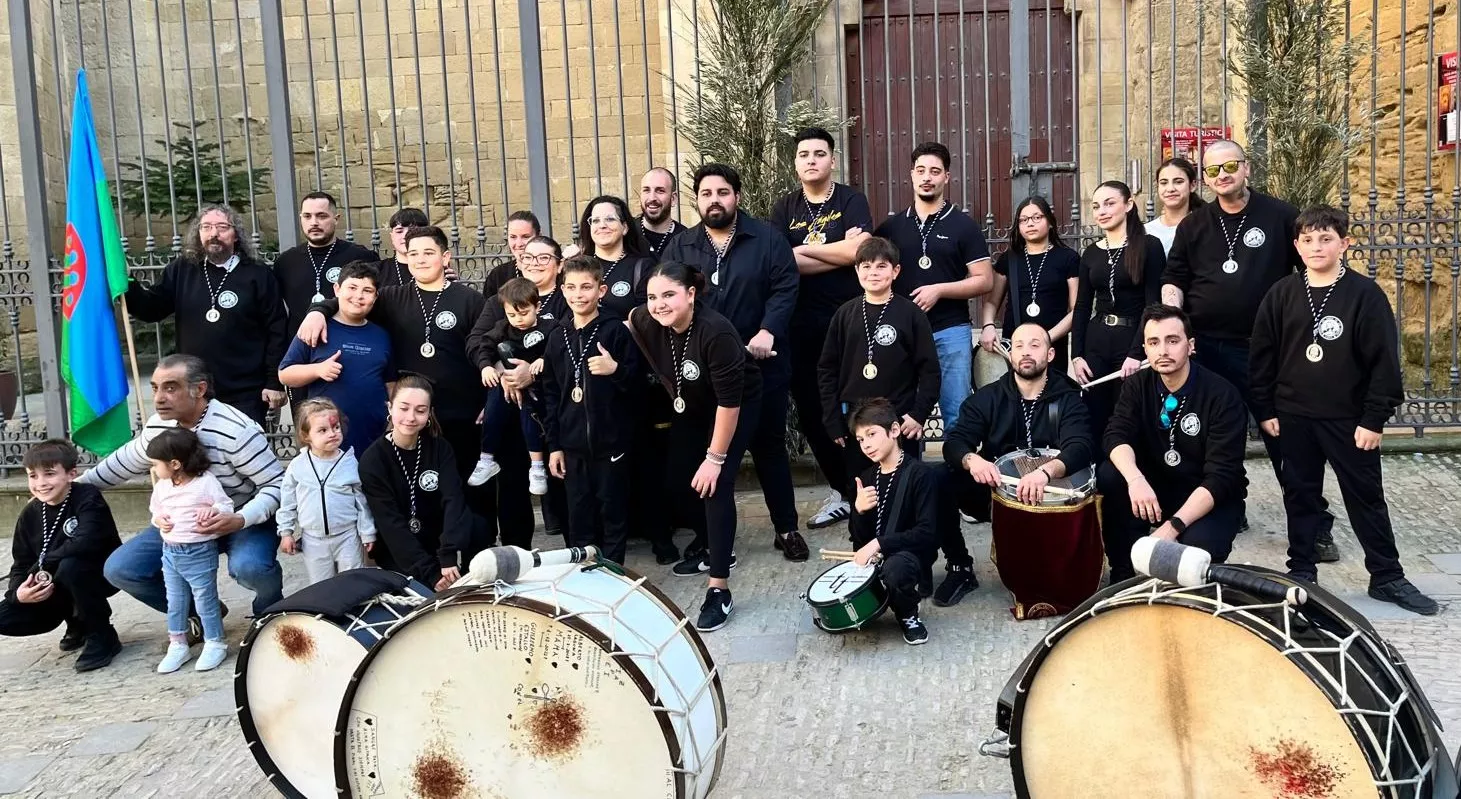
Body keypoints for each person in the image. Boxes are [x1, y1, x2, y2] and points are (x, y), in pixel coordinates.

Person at [1250, 206, 1436, 615]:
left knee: (1366, 497)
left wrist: (1373, 418)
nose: (1317, 246)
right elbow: (1262, 357)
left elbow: (1384, 362)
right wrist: (1264, 408)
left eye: (1326, 238)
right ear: (1297, 246)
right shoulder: (1281, 294)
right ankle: (1301, 571)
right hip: (1293, 416)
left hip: (1350, 421)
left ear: (1344, 243)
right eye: (1308, 240)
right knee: (1300, 495)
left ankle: (1386, 576)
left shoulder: (1364, 295)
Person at [1162, 139, 1338, 558]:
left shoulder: (1280, 216)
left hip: (1266, 350)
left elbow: (1309, 270)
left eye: (1229, 167)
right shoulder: (1194, 225)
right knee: (1207, 437)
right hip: (1204, 348)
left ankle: (1314, 525)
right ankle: (1223, 505)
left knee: (1284, 439)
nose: (1221, 176)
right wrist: (1175, 318)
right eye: (1212, 171)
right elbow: (1175, 278)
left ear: (1246, 168)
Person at [295, 226, 500, 547]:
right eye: (413, 253)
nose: (420, 259)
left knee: (471, 497)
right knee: (420, 494)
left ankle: (480, 567)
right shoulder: (391, 296)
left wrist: (492, 400)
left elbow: (488, 347)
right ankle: (432, 567)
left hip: (464, 416)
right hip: (412, 420)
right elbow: (351, 301)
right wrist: (318, 311)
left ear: (445, 257)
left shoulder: (470, 300)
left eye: (428, 253)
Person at [660, 163, 809, 562]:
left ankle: (786, 527)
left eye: (722, 193)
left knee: (770, 449)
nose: (715, 200)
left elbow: (785, 287)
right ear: (696, 200)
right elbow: (672, 298)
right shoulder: (682, 247)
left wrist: (768, 330)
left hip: (764, 365)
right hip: (705, 374)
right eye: (706, 194)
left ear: (736, 197)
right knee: (708, 454)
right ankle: (708, 534)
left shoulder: (767, 239)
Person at [82, 355, 285, 635]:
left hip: (242, 517)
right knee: (121, 569)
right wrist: (75, 488)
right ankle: (199, 612)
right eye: (155, 388)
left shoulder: (236, 431)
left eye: (170, 387)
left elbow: (278, 485)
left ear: (199, 389)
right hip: (181, 523)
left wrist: (239, 519)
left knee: (250, 567)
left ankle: (271, 610)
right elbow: (126, 461)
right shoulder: (159, 424)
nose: (159, 398)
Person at [627, 263, 763, 631]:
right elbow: (629, 321)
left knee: (714, 485)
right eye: (653, 296)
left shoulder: (716, 333)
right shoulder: (645, 317)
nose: (659, 304)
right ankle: (709, 544)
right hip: (691, 402)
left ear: (691, 294)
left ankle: (719, 587)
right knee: (676, 481)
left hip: (735, 406)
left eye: (669, 294)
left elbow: (730, 405)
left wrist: (715, 459)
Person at [938, 323, 1095, 605]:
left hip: (1054, 492)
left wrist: (1045, 473)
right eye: (1018, 346)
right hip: (999, 490)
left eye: (1035, 345)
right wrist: (972, 460)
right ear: (1010, 355)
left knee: (1106, 478)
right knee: (939, 479)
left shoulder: (1069, 396)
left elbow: (1080, 446)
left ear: (1050, 354)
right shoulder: (987, 398)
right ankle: (960, 566)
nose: (1025, 352)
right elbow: (956, 441)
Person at [770, 127, 874, 531]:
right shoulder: (785, 208)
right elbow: (783, 262)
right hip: (800, 324)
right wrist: (838, 252)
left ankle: (868, 484)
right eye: (803, 154)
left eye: (819, 153)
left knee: (859, 406)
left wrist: (806, 251)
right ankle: (842, 490)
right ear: (796, 163)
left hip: (849, 319)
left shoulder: (851, 200)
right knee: (816, 411)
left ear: (832, 160)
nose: (811, 159)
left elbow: (860, 252)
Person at [1098, 305, 1247, 582]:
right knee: (1111, 474)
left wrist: (1172, 528)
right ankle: (1123, 570)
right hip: (1154, 487)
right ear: (1145, 348)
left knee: (1194, 559)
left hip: (1205, 496)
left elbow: (1221, 476)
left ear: (1190, 346)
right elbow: (1116, 435)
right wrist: (1135, 480)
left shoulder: (1222, 396)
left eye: (1172, 340)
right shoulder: (1137, 385)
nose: (1163, 350)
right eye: (1154, 342)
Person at [124, 205, 288, 426]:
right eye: (206, 227)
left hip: (245, 391)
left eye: (222, 227)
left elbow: (277, 330)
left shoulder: (258, 275)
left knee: (242, 456)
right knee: (195, 456)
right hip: (193, 389)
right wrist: (128, 282)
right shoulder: (182, 270)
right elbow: (151, 308)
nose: (214, 234)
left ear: (236, 235)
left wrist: (273, 381)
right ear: (198, 233)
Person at [874, 142, 994, 435]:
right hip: (903, 333)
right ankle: (905, 478)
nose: (927, 177)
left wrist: (939, 289)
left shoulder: (964, 226)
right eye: (921, 171)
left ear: (946, 177)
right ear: (911, 175)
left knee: (957, 413)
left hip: (950, 331)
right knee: (900, 414)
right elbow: (871, 271)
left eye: (935, 171)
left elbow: (984, 280)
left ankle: (958, 478)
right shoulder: (890, 228)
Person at [542, 257, 641, 564]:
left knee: (612, 513)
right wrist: (554, 446)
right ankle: (583, 573)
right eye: (571, 287)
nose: (578, 294)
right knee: (579, 514)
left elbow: (638, 386)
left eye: (586, 287)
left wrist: (615, 370)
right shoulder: (557, 336)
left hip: (611, 444)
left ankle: (613, 572)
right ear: (562, 290)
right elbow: (551, 395)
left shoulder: (614, 332)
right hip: (572, 448)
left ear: (602, 290)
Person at [817, 236, 939, 482]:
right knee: (861, 488)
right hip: (856, 422)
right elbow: (826, 369)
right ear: (856, 270)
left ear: (896, 271)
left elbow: (930, 370)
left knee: (904, 487)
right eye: (866, 266)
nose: (873, 273)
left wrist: (918, 414)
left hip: (899, 420)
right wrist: (832, 419)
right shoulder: (844, 314)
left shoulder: (912, 315)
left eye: (881, 266)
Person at [1, 440, 123, 672]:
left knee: (71, 566)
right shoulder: (31, 513)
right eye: (32, 476)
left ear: (71, 474)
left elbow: (85, 541)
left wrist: (42, 564)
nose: (40, 483)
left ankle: (102, 633)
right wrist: (19, 593)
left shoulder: (87, 497)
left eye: (49, 474)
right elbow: (21, 563)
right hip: (54, 583)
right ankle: (76, 621)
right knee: (4, 616)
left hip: (98, 575)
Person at [359, 377, 474, 591]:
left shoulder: (440, 448)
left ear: (429, 414)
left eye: (420, 410)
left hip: (439, 545)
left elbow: (453, 499)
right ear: (390, 407)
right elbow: (390, 524)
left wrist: (448, 553)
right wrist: (430, 573)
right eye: (404, 408)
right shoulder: (373, 460)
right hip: (400, 553)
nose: (411, 417)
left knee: (478, 526)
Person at [1070, 180, 1165, 438]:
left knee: (1129, 412)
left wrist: (1138, 352)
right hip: (1097, 339)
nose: (1102, 211)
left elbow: (1153, 305)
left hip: (1132, 336)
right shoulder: (1090, 253)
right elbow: (1081, 307)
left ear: (1129, 204)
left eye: (1110, 203)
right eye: (1097, 205)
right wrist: (1076, 355)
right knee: (1095, 411)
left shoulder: (1149, 246)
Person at [278, 260, 397, 458]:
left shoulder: (381, 335)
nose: (358, 296)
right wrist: (317, 370)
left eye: (367, 290)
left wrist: (393, 420)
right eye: (352, 287)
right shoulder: (316, 328)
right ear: (337, 289)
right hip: (328, 438)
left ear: (375, 297)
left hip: (374, 436)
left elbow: (390, 384)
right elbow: (285, 374)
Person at [845, 399, 940, 646]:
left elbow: (927, 533)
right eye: (860, 440)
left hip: (911, 556)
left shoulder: (921, 475)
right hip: (878, 556)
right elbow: (859, 539)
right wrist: (859, 511)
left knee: (897, 569)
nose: (866, 444)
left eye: (872, 434)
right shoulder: (867, 477)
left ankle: (908, 615)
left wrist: (879, 543)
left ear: (895, 430)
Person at [146, 428, 235, 674]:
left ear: (174, 463)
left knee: (204, 599)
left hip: (199, 551)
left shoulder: (205, 482)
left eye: (156, 464)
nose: (154, 469)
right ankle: (178, 643)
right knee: (175, 601)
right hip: (170, 551)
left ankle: (215, 641)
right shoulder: (163, 486)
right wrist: (160, 520)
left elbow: (225, 504)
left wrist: (214, 510)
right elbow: (156, 511)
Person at [468, 278, 556, 494]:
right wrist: (486, 366)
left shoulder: (551, 327)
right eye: (512, 314)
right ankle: (486, 458)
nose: (518, 319)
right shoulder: (502, 328)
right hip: (506, 383)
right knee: (492, 411)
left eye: (524, 313)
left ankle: (537, 467)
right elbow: (484, 346)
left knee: (529, 416)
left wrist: (545, 359)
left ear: (537, 307)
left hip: (536, 389)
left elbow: (559, 348)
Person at [277, 398, 376, 586]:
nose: (332, 434)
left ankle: (355, 612)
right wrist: (286, 532)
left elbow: (361, 502)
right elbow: (288, 501)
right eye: (323, 430)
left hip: (347, 535)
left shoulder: (350, 463)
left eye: (336, 427)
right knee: (321, 586)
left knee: (354, 582)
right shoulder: (298, 466)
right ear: (306, 435)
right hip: (313, 539)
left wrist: (367, 532)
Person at [979, 196, 1080, 375]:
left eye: (1037, 217)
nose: (1030, 224)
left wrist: (1047, 338)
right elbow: (992, 302)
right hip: (1016, 347)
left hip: (1052, 346)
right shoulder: (1009, 259)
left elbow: (1076, 309)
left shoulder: (1068, 258)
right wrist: (988, 326)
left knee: (1051, 398)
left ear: (1049, 222)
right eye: (1024, 220)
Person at [272, 192, 380, 339]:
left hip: (350, 343)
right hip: (301, 349)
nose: (314, 222)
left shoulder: (361, 257)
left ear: (336, 219)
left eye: (321, 216)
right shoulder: (285, 262)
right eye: (307, 216)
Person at [575, 195, 655, 319]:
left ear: (624, 227)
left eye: (610, 219)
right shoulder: (578, 267)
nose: (602, 225)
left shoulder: (642, 268)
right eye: (595, 220)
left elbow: (648, 318)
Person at [1144, 158, 1205, 255]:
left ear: (1193, 185)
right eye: (1164, 183)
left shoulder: (1206, 227)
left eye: (1178, 182)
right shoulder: (1146, 231)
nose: (1170, 189)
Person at [482, 210, 543, 298]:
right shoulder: (498, 275)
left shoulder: (552, 272)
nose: (519, 244)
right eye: (513, 237)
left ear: (539, 236)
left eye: (525, 237)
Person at [378, 208, 429, 288]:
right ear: (392, 236)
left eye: (413, 230)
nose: (405, 236)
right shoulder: (377, 271)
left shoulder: (435, 269)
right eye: (399, 231)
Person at [638, 167, 682, 254]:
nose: (652, 198)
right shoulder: (625, 235)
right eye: (646, 190)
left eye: (660, 191)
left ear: (673, 199)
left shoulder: (686, 241)